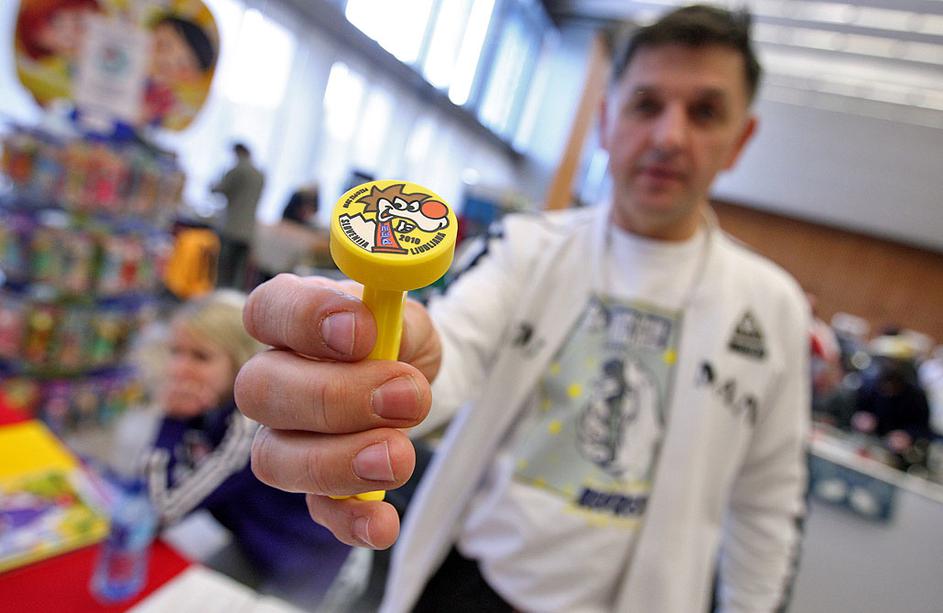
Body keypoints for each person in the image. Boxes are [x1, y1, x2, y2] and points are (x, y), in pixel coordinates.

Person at [234, 5, 810, 612]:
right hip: (472, 588)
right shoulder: (526, 246)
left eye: (705, 112)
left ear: (740, 139)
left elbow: (768, 506)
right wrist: (389, 361)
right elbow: (450, 354)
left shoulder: (774, 309)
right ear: (605, 120)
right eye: (646, 105)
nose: (669, 136)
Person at [145, 290, 351, 601]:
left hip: (298, 562)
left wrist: (172, 421)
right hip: (248, 536)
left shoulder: (249, 421)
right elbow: (180, 480)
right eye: (176, 352)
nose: (179, 369)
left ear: (240, 360)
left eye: (200, 356)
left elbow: (162, 507)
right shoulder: (211, 402)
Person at [211, 143, 264, 289]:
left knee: (224, 270)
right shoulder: (260, 174)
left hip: (232, 228)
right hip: (248, 231)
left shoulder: (238, 170)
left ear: (237, 152)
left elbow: (219, 189)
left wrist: (213, 183)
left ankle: (220, 298)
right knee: (238, 274)